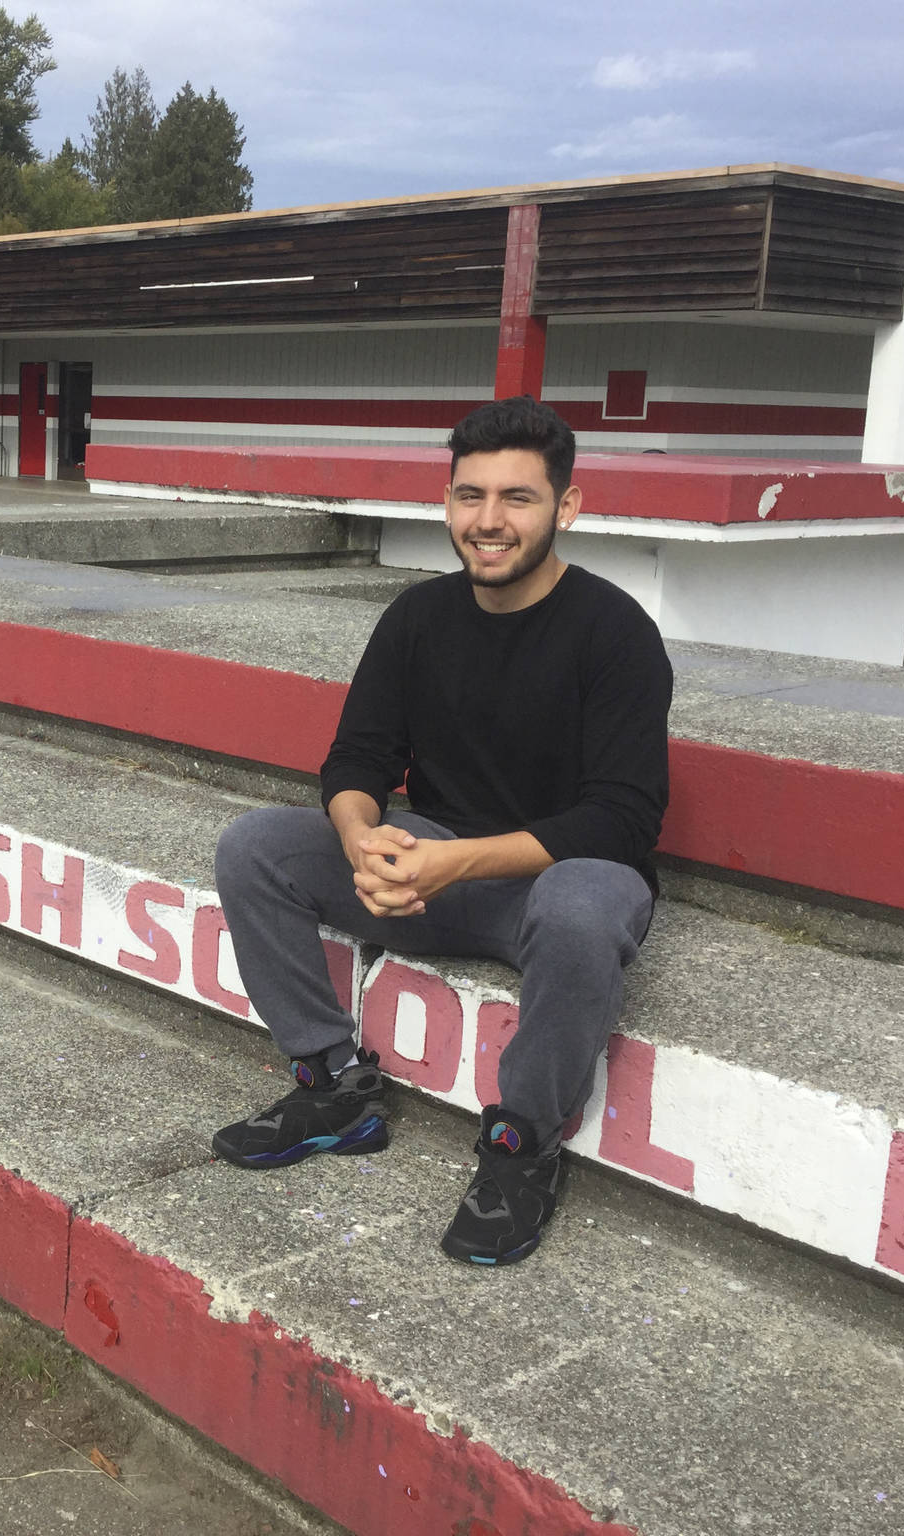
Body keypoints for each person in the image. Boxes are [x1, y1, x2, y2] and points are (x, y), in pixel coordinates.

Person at [209, 396, 672, 1267]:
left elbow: (622, 814)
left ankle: (522, 1147)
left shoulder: (616, 634)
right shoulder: (418, 619)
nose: (488, 522)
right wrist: (361, 841)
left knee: (583, 906)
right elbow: (356, 762)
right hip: (433, 868)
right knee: (255, 848)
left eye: (517, 498)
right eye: (469, 496)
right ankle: (336, 1086)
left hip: (557, 878)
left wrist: (456, 862)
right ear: (448, 501)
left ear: (565, 508)